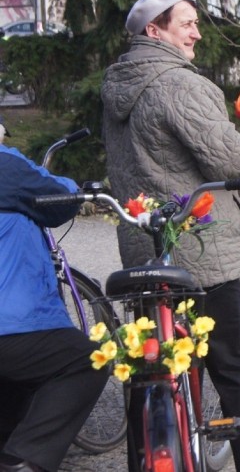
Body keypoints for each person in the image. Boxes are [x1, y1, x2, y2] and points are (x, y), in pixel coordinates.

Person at [100, 0, 240, 472]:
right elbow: (232, 156)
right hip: (201, 253)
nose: (197, 32)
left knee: (159, 365)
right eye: (187, 23)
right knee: (234, 371)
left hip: (145, 254)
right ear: (154, 31)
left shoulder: (117, 86)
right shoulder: (178, 84)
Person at [0, 118, 109, 472]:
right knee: (87, 360)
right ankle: (29, 460)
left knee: (24, 368)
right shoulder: (7, 165)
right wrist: (72, 185)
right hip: (9, 327)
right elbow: (62, 200)